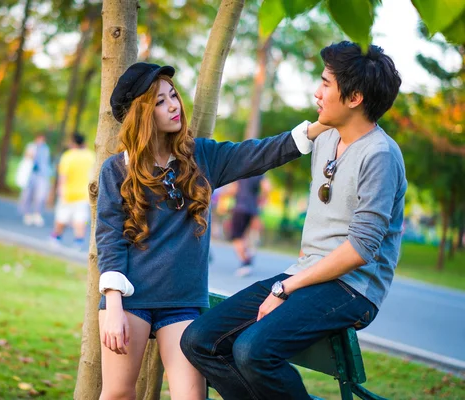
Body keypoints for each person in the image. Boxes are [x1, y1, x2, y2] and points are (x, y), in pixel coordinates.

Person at [180, 41, 406, 400]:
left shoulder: (380, 155)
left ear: (354, 98)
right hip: (306, 272)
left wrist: (285, 288)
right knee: (199, 340)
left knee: (254, 351)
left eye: (326, 84)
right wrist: (314, 128)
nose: (317, 93)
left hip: (352, 287)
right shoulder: (328, 136)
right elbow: (283, 144)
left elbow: (361, 249)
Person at [95, 62, 328, 399]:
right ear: (141, 114)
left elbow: (258, 153)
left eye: (173, 95)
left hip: (182, 304)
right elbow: (109, 237)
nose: (174, 105)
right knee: (118, 394)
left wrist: (317, 128)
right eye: (160, 102)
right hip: (130, 299)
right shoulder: (117, 169)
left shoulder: (201, 156)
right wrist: (113, 305)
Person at [50, 132, 96, 249]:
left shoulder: (68, 156)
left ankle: (56, 238)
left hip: (68, 192)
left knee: (61, 216)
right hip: (84, 193)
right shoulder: (90, 156)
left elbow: (63, 176)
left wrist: (60, 189)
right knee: (80, 218)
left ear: (73, 142)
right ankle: (79, 241)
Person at [230, 175, 270, 277]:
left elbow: (233, 189)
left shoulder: (240, 171)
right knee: (245, 235)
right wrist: (262, 200)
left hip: (240, 208)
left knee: (236, 237)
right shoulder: (260, 172)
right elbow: (267, 187)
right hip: (252, 209)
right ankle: (247, 256)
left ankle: (245, 262)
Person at [18, 133, 52, 227]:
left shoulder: (46, 149)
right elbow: (27, 157)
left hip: (41, 175)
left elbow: (45, 163)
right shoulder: (31, 146)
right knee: (27, 195)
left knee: (40, 196)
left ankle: (37, 214)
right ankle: (27, 214)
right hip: (31, 174)